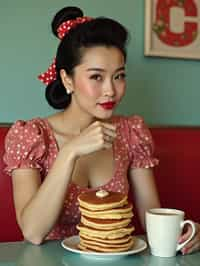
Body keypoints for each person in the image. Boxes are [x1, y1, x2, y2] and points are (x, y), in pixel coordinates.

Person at [3, 6, 199, 253]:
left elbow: (153, 222)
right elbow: (33, 232)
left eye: (119, 76)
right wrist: (70, 152)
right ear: (67, 79)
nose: (111, 90)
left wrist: (184, 234)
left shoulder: (131, 132)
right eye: (96, 77)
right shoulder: (32, 136)